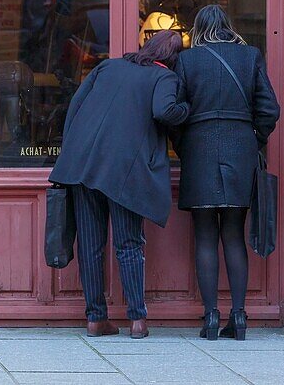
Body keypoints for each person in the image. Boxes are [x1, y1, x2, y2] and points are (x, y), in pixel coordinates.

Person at [49, 30, 190, 339]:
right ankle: (137, 321)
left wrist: (72, 150)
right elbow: (164, 110)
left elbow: (75, 107)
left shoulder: (108, 66)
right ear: (172, 59)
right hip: (125, 172)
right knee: (128, 244)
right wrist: (187, 110)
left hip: (84, 166)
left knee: (90, 245)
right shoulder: (164, 78)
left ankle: (96, 319)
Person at [173, 5, 280, 341]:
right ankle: (239, 315)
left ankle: (210, 318)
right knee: (233, 234)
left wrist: (185, 145)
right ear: (228, 26)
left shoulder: (188, 61)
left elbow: (175, 111)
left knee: (205, 235)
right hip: (239, 151)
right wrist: (253, 138)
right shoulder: (250, 57)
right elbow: (269, 109)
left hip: (200, 151)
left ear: (199, 28)